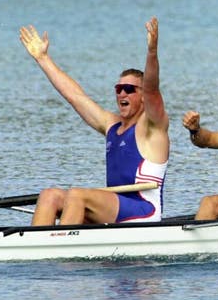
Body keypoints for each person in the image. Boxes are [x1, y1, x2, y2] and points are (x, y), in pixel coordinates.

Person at [19, 17, 170, 226]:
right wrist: (43, 58)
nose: (121, 94)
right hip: (114, 208)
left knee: (78, 195)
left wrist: (152, 53)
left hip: (144, 211)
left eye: (129, 89)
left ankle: (60, 247)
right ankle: (32, 250)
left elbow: (153, 89)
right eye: (118, 89)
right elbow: (75, 96)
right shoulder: (111, 125)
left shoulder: (152, 127)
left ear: (143, 96)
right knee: (49, 195)